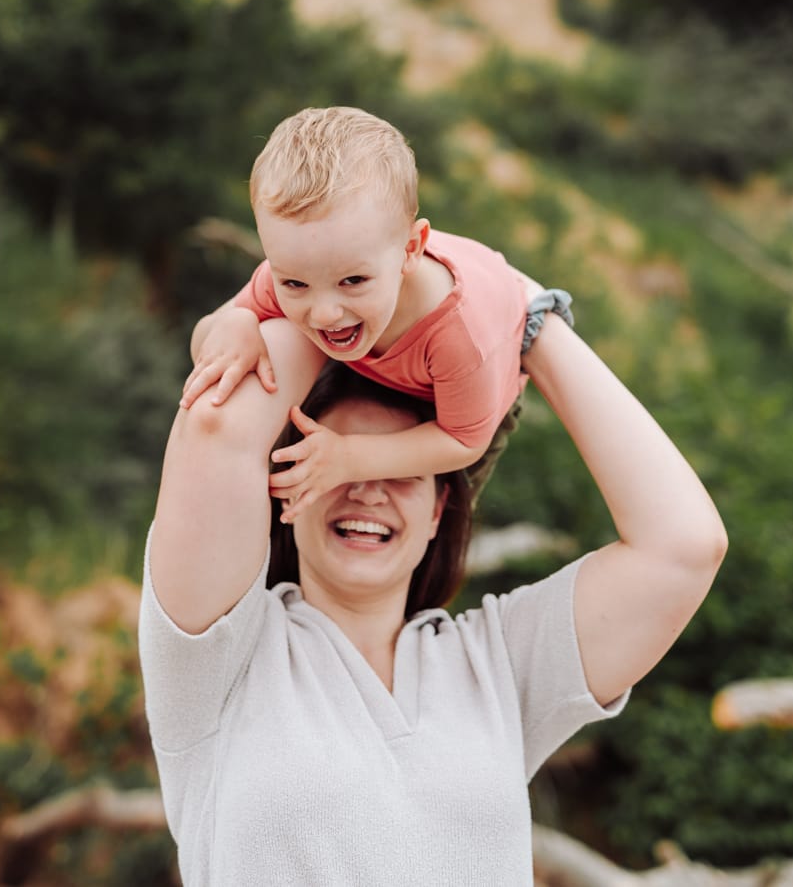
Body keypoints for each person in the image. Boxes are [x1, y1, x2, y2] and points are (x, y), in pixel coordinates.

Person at [139, 290, 728, 886]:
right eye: (332, 462)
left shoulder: (496, 664)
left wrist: (531, 321)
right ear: (286, 486)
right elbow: (217, 425)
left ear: (438, 510)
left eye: (397, 473)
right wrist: (339, 299)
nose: (367, 490)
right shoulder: (218, 659)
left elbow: (682, 549)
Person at [180, 106, 574, 520]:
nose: (325, 312)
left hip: (462, 394)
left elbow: (464, 441)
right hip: (372, 351)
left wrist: (350, 457)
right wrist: (233, 323)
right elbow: (204, 342)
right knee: (309, 484)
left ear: (410, 250)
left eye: (353, 281)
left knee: (429, 527)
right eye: (294, 284)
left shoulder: (462, 337)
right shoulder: (315, 266)